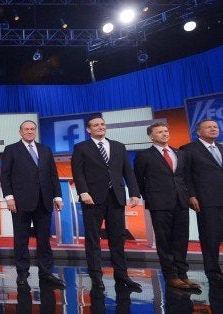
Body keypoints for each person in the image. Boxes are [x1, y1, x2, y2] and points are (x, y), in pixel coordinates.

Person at [71, 116, 142, 292]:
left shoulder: (118, 146)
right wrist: (83, 191)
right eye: (96, 125)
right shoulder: (81, 148)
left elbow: (127, 171)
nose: (100, 127)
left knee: (118, 238)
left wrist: (134, 192)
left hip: (116, 197)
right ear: (88, 130)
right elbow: (77, 172)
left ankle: (121, 275)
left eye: (102, 124)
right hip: (92, 199)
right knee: (93, 239)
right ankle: (96, 276)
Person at [0, 120, 65, 289]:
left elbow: (53, 175)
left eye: (32, 129)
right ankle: (22, 274)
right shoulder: (11, 150)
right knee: (21, 240)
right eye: (26, 129)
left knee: (44, 240)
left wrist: (58, 196)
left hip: (44, 201)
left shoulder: (45, 149)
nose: (29, 131)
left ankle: (46, 273)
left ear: (35, 131)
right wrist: (9, 197)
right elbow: (5, 176)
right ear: (20, 132)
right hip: (20, 202)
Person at [134, 122, 200, 289]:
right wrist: (150, 196)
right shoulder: (144, 155)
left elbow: (185, 178)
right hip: (159, 203)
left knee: (181, 240)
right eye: (160, 132)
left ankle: (183, 275)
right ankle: (171, 275)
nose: (164, 134)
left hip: (181, 201)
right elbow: (139, 179)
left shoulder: (180, 153)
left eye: (166, 131)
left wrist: (190, 196)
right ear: (151, 136)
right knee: (165, 242)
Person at [180, 118, 223, 286]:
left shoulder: (221, 147)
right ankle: (212, 271)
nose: (213, 129)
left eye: (215, 126)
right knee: (210, 236)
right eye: (209, 127)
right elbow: (186, 175)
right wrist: (191, 195)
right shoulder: (188, 149)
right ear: (198, 132)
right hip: (206, 199)